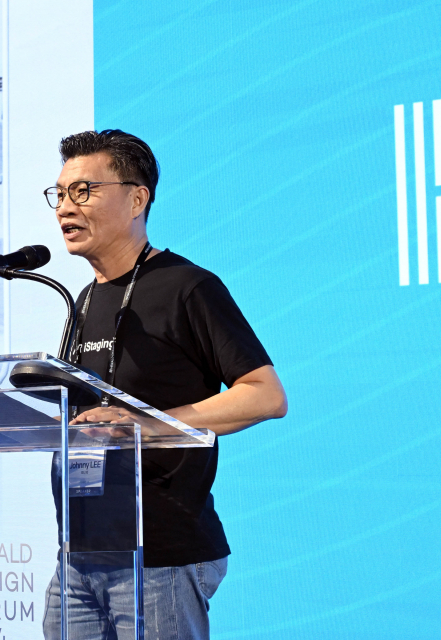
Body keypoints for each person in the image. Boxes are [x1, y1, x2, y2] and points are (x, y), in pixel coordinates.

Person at [42, 129, 288, 640]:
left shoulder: (187, 286)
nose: (66, 206)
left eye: (83, 191)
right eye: (60, 193)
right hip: (79, 554)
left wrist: (151, 424)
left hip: (161, 557)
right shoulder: (83, 300)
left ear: (137, 198)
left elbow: (265, 394)